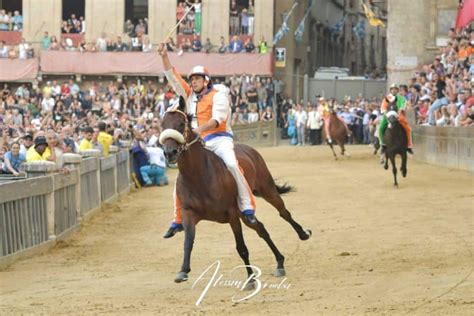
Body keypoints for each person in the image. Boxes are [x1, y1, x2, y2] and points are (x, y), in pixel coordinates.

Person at [158, 42, 258, 238]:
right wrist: (164, 56)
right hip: (198, 142)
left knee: (231, 164)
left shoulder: (218, 95)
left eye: (197, 79)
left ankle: (247, 206)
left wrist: (197, 131)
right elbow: (173, 77)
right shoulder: (188, 95)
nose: (193, 82)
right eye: (192, 79)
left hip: (219, 139)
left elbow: (217, 120)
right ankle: (178, 219)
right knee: (181, 179)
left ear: (206, 81)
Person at [378, 84, 414, 155]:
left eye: (395, 89)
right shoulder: (386, 98)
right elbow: (383, 108)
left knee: (408, 129)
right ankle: (383, 144)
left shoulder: (402, 98)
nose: (394, 90)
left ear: (397, 90)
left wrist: (398, 114)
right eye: (392, 89)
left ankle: (409, 145)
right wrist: (387, 116)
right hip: (388, 115)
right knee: (381, 128)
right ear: (390, 90)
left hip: (399, 115)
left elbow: (402, 107)